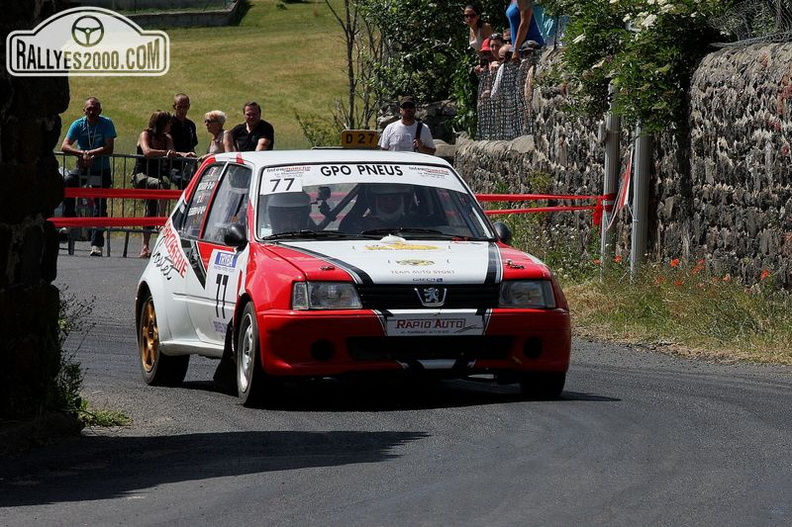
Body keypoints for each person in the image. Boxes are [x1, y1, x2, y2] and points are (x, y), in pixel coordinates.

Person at [60, 96, 117, 257]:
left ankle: (97, 244)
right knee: (68, 183)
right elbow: (64, 145)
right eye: (89, 109)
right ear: (84, 110)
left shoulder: (107, 123)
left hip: (101, 169)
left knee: (100, 205)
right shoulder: (78, 124)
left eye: (95, 109)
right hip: (82, 167)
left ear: (100, 110)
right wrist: (81, 154)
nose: (92, 111)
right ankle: (69, 222)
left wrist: (90, 153)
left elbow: (109, 147)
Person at [133, 111, 191, 258]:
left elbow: (173, 152)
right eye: (168, 122)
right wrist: (166, 152)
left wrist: (184, 154)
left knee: (149, 211)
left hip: (157, 175)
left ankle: (145, 247)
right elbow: (147, 151)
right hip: (142, 175)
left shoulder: (167, 137)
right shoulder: (145, 134)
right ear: (160, 123)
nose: (170, 125)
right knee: (162, 185)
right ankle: (161, 219)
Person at [168, 93, 198, 188]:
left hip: (188, 164)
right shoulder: (169, 123)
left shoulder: (190, 125)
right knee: (182, 181)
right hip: (172, 164)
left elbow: (192, 146)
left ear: (188, 107)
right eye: (179, 107)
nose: (182, 110)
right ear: (174, 107)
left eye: (185, 107)